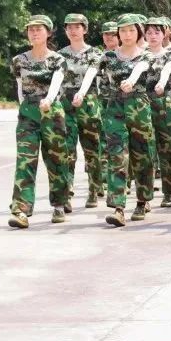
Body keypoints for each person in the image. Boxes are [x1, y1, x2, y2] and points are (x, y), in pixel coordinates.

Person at [7, 15, 69, 228]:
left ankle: (59, 204)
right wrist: (23, 107)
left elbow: (57, 82)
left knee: (56, 159)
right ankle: (20, 210)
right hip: (28, 114)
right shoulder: (19, 60)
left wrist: (49, 100)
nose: (34, 33)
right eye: (30, 29)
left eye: (38, 29)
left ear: (48, 33)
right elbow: (19, 86)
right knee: (25, 160)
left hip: (52, 112)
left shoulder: (57, 60)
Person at [99, 14, 155, 226]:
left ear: (138, 32)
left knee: (142, 153)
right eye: (123, 31)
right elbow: (94, 74)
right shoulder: (108, 57)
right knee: (116, 155)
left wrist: (131, 81)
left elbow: (141, 68)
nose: (127, 34)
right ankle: (118, 207)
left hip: (139, 106)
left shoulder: (146, 55)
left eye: (132, 30)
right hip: (115, 107)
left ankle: (142, 201)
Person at [59, 13, 105, 208]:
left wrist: (82, 93)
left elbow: (92, 74)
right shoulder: (59, 55)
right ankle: (66, 191)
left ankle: (94, 189)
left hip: (88, 101)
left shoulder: (95, 53)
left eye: (77, 27)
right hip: (65, 103)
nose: (73, 30)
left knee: (92, 149)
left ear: (85, 29)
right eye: (69, 27)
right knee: (66, 149)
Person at [143, 18, 171, 208]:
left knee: (167, 148)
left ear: (164, 34)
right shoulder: (140, 54)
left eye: (156, 32)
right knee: (145, 150)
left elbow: (167, 70)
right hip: (142, 103)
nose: (152, 36)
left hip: (164, 103)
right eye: (149, 32)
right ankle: (145, 195)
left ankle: (169, 192)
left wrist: (160, 82)